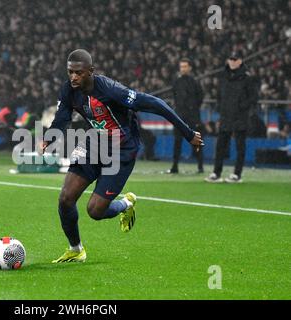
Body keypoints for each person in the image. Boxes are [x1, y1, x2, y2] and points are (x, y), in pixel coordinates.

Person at [41, 49, 203, 263]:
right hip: (95, 144)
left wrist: (188, 133)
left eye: (78, 73)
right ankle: (76, 249)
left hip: (121, 150)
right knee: (65, 199)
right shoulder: (69, 90)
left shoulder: (111, 90)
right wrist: (48, 138)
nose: (73, 77)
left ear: (91, 71)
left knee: (95, 211)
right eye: (70, 72)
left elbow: (155, 104)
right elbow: (62, 118)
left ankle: (126, 204)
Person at [205, 50, 258, 183]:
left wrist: (241, 106)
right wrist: (220, 108)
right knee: (220, 146)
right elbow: (219, 95)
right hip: (226, 116)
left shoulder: (247, 78)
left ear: (240, 61)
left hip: (240, 116)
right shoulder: (223, 77)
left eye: (235, 59)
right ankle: (216, 173)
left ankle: (237, 174)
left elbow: (254, 97)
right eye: (231, 59)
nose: (233, 62)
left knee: (240, 146)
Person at [167, 58, 204, 174]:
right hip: (179, 117)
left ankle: (200, 166)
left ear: (190, 68)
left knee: (196, 141)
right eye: (181, 67)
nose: (183, 69)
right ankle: (175, 166)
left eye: (185, 66)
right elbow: (175, 96)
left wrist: (192, 109)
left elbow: (200, 98)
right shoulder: (176, 82)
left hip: (192, 117)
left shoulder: (195, 82)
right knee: (177, 142)